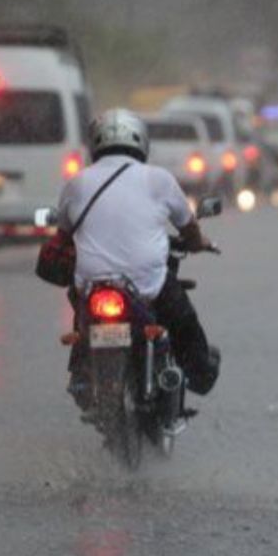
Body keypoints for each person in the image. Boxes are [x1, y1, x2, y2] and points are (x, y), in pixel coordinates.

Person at [57, 108, 220, 410]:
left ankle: (80, 373)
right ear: (141, 143)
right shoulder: (159, 179)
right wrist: (200, 244)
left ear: (95, 144)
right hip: (147, 285)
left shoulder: (76, 183)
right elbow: (189, 227)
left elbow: (62, 235)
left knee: (80, 313)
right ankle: (198, 375)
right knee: (184, 321)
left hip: (92, 287)